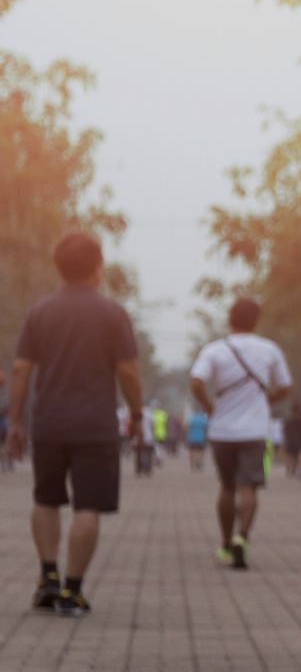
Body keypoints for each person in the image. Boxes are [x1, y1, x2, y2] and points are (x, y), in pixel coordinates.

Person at [5, 232, 143, 616]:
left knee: (45, 497)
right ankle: (73, 590)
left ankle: (47, 575)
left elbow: (20, 369)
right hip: (95, 426)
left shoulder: (40, 312)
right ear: (98, 267)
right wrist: (136, 416)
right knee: (89, 506)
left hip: (48, 422)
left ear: (58, 267)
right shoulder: (113, 314)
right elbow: (128, 373)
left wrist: (15, 421)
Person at [190, 298, 292, 570]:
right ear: (256, 321)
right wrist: (266, 400)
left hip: (222, 430)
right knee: (249, 488)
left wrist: (208, 405)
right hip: (255, 430)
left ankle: (225, 543)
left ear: (230, 320)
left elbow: (196, 381)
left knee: (227, 487)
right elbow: (285, 386)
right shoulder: (269, 349)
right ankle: (242, 536)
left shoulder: (215, 350)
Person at [284, 401, 301, 479]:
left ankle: (290, 470)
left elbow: (285, 430)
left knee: (290, 456)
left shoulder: (289, 419)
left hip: (290, 439)